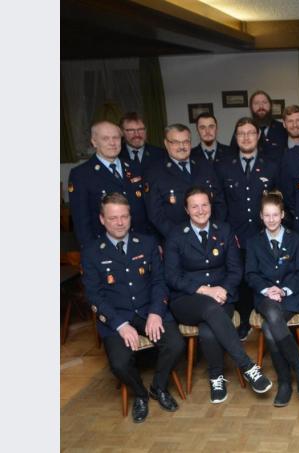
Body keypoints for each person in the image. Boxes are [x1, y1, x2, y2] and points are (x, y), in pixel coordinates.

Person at [81, 193, 184, 423]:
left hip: (150, 310)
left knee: (176, 344)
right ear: (102, 219)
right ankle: (140, 394)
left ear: (130, 217)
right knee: (119, 363)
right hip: (117, 317)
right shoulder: (92, 251)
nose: (119, 222)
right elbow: (93, 295)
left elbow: (159, 281)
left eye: (124, 217)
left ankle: (158, 387)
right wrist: (119, 324)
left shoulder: (147, 243)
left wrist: (157, 312)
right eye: (113, 217)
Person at [164, 187, 272, 404]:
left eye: (205, 204)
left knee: (208, 331)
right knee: (210, 308)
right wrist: (206, 290)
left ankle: (216, 377)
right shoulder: (176, 236)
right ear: (186, 210)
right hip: (186, 299)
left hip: (222, 296)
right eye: (194, 206)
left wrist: (222, 289)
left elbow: (235, 269)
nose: (200, 210)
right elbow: (172, 276)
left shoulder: (224, 230)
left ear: (211, 207)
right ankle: (247, 365)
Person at [245, 192, 299, 407]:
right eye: (267, 215)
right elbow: (251, 274)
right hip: (265, 298)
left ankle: (285, 382)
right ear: (261, 217)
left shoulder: (297, 239)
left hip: (290, 298)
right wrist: (267, 290)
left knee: (268, 328)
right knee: (272, 313)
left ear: (282, 215)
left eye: (275, 214)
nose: (272, 219)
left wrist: (283, 290)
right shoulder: (254, 242)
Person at [215, 117, 280, 340]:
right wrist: (225, 233)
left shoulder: (271, 165)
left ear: (258, 136)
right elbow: (220, 203)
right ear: (235, 137)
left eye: (250, 133)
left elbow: (278, 200)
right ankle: (244, 321)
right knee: (241, 279)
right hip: (236, 235)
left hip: (264, 234)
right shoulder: (224, 166)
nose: (246, 137)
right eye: (241, 133)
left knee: (264, 276)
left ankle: (265, 317)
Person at [68, 120, 152, 248]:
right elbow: (81, 221)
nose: (112, 143)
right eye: (105, 138)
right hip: (105, 247)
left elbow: (147, 210)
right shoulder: (81, 174)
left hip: (141, 243)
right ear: (94, 142)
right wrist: (91, 252)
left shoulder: (135, 167)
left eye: (116, 138)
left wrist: (153, 241)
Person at [143, 123, 225, 241]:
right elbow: (156, 214)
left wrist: (215, 230)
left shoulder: (205, 165)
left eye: (186, 142)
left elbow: (219, 201)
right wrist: (181, 238)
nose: (182, 146)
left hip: (210, 237)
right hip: (176, 241)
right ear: (166, 144)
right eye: (175, 142)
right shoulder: (154, 172)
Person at [229, 90, 288, 160]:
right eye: (256, 103)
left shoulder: (282, 128)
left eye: (264, 102)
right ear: (251, 107)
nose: (261, 106)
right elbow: (233, 154)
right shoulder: (242, 129)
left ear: (271, 105)